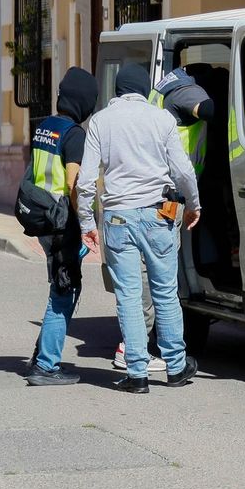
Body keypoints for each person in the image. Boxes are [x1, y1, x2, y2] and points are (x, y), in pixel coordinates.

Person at [78, 63, 201, 393]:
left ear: (117, 91)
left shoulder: (101, 121)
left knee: (129, 297)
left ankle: (137, 374)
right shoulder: (162, 119)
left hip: (117, 218)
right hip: (159, 214)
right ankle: (176, 367)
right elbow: (183, 170)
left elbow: (87, 181)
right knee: (165, 291)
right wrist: (194, 204)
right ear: (146, 91)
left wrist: (87, 223)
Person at [112, 65, 216, 373]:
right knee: (162, 285)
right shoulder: (187, 91)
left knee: (138, 285)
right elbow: (206, 110)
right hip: (169, 199)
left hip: (131, 204)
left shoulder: (159, 91)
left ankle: (140, 357)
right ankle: (165, 361)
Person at [23, 67, 97, 386]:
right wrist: (85, 224)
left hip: (42, 218)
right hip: (61, 222)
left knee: (61, 283)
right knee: (64, 289)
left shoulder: (45, 127)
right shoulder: (73, 133)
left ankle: (42, 353)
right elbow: (72, 183)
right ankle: (47, 365)